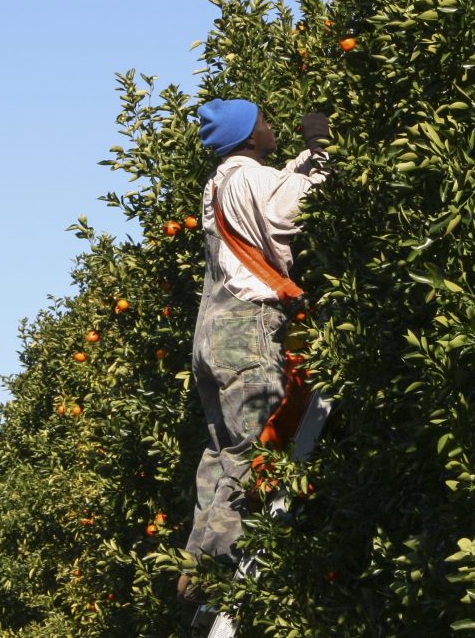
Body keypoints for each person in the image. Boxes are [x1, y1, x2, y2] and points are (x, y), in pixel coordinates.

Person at [178, 98, 330, 604]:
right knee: (253, 450)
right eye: (264, 121)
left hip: (212, 334)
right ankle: (217, 569)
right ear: (247, 135)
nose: (271, 127)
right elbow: (290, 210)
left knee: (221, 451)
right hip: (246, 328)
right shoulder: (248, 177)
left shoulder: (223, 181)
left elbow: (275, 189)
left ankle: (196, 559)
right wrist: (322, 149)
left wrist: (302, 159)